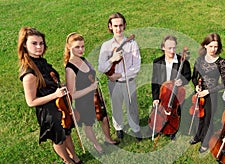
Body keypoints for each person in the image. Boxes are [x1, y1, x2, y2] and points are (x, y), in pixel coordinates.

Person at [18, 27, 81, 164]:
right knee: (59, 138)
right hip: (48, 111)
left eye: (41, 43)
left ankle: (74, 155)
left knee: (67, 132)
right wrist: (55, 94)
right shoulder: (28, 73)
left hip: (60, 105)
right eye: (34, 43)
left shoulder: (41, 62)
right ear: (24, 45)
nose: (39, 47)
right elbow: (31, 102)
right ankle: (68, 161)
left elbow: (50, 83)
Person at [64, 32, 120, 155]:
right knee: (88, 125)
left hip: (95, 96)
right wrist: (90, 88)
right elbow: (72, 94)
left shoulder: (84, 60)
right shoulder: (70, 69)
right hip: (83, 101)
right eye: (77, 47)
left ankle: (108, 139)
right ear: (69, 47)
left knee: (104, 118)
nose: (81, 50)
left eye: (83, 46)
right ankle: (97, 146)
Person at [98, 12, 142, 141]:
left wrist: (121, 74)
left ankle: (135, 128)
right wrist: (112, 59)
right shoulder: (106, 46)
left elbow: (137, 66)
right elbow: (102, 67)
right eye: (115, 25)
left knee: (132, 106)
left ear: (125, 26)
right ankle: (119, 128)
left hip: (129, 80)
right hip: (114, 83)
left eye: (121, 25)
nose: (118, 29)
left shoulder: (132, 43)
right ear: (110, 26)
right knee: (116, 106)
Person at [190, 33, 225, 153]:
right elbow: (194, 77)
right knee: (198, 117)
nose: (213, 49)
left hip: (211, 95)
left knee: (208, 119)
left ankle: (205, 142)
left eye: (216, 47)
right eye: (211, 46)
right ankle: (197, 136)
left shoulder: (221, 62)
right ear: (205, 45)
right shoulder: (199, 60)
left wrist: (208, 91)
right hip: (199, 93)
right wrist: (197, 86)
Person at [151, 35, 191, 140]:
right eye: (169, 48)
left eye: (174, 48)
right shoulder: (157, 62)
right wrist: (155, 98)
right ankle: (158, 126)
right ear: (163, 47)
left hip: (175, 93)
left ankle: (173, 129)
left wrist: (182, 81)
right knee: (158, 112)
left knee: (175, 111)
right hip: (163, 94)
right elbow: (154, 81)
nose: (172, 51)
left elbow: (188, 75)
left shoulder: (183, 61)